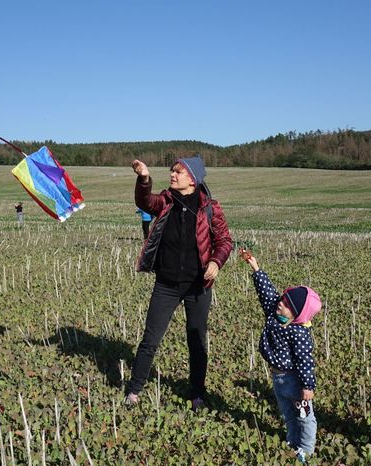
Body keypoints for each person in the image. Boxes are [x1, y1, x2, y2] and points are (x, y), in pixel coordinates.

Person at [125, 156, 233, 410]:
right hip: (167, 284)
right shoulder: (166, 201)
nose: (172, 175)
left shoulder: (210, 208)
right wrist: (144, 179)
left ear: (192, 179)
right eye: (172, 171)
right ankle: (134, 391)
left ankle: (197, 394)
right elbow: (144, 201)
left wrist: (216, 262)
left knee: (196, 342)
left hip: (198, 286)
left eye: (178, 172)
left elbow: (225, 241)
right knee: (150, 339)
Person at [239, 248, 320, 463]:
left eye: (286, 304)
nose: (280, 303)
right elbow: (267, 293)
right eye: (283, 299)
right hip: (278, 378)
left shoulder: (299, 332)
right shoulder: (274, 314)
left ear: (296, 314)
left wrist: (307, 386)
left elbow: (305, 361)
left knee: (304, 416)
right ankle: (292, 442)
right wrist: (256, 269)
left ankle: (306, 448)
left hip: (294, 380)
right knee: (287, 414)